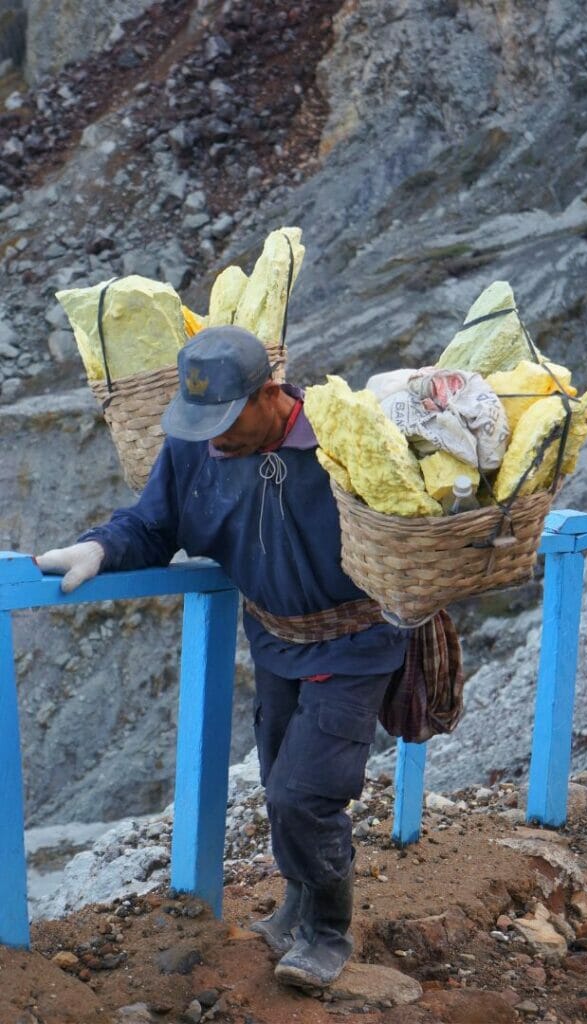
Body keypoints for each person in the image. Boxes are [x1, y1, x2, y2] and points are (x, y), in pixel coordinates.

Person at [37, 325, 409, 990]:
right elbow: (154, 524)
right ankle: (297, 902)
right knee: (278, 782)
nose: (212, 437)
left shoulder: (342, 438)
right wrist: (99, 548)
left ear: (271, 394)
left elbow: (414, 521)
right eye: (198, 419)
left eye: (225, 418)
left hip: (356, 641)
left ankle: (328, 931)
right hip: (273, 638)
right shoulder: (193, 448)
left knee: (306, 794)